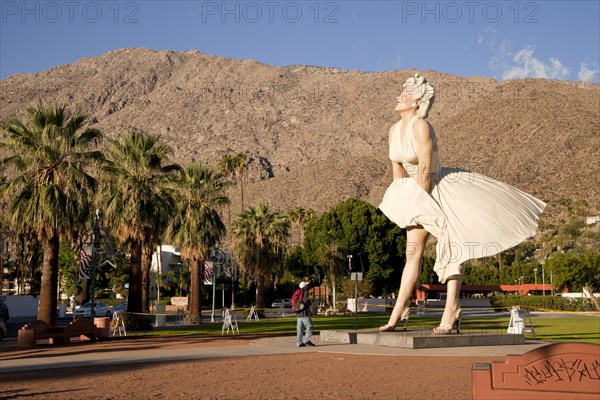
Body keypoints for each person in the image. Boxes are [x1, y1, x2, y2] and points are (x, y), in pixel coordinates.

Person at [378, 74, 546, 334]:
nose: (398, 96)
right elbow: (398, 174)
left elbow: (425, 172)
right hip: (414, 192)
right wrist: (402, 206)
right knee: (411, 254)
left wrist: (419, 204)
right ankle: (398, 312)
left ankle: (452, 309)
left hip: (436, 188)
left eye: (406, 93)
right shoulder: (393, 130)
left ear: (417, 101)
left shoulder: (422, 127)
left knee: (452, 248)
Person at [295, 281, 315, 346]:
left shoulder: (297, 292)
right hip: (304, 313)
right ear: (304, 287)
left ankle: (299, 343)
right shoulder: (305, 292)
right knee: (309, 326)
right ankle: (307, 340)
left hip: (298, 313)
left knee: (300, 329)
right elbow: (305, 301)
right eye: (306, 285)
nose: (307, 286)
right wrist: (310, 302)